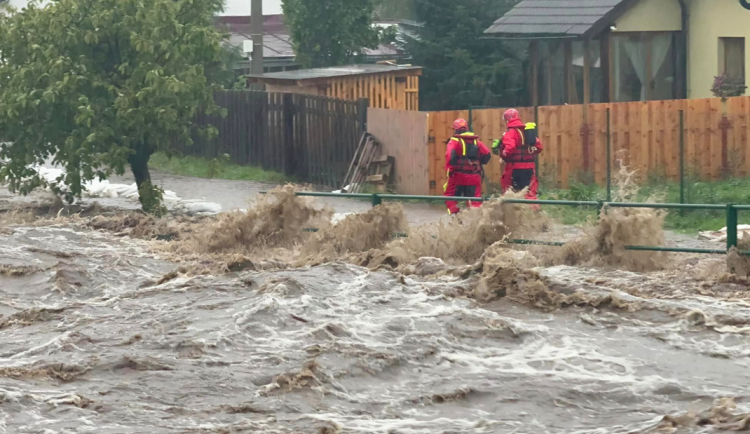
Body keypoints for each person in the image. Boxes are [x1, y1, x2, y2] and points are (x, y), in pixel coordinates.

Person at [493, 109, 543, 202]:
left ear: (507, 120)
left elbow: (510, 147)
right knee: (529, 193)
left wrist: (503, 154)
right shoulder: (527, 132)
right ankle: (534, 213)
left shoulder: (510, 132)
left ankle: (511, 214)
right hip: (529, 168)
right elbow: (539, 147)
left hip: (514, 168)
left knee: (510, 193)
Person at [444, 118, 491, 215]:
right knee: (475, 201)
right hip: (474, 177)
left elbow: (450, 157)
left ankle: (457, 218)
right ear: (466, 128)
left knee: (449, 196)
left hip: (458, 177)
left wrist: (451, 170)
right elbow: (487, 154)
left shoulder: (454, 141)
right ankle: (477, 222)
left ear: (455, 129)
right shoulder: (476, 141)